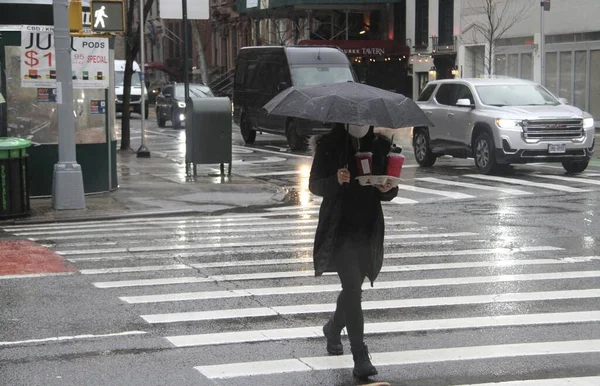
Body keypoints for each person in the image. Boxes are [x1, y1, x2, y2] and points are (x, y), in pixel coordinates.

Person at [308, 123, 399, 380]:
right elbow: (314, 185)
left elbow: (389, 187)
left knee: (353, 288)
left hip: (367, 227)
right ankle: (360, 356)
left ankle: (333, 327)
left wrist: (387, 188)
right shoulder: (329, 146)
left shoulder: (380, 146)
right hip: (340, 229)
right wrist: (335, 180)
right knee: (351, 288)